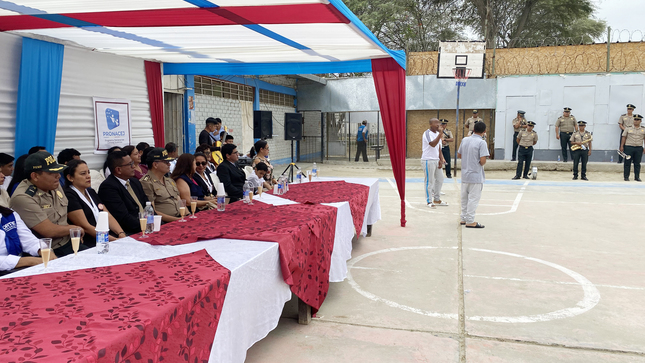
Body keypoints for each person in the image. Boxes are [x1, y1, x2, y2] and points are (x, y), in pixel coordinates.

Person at [10, 152, 86, 257]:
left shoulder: (53, 184)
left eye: (58, 171)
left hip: (69, 242)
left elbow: (63, 216)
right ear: (35, 176)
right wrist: (75, 229)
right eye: (52, 173)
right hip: (48, 251)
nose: (58, 176)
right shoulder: (23, 197)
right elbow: (48, 231)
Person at [64, 160, 125, 246]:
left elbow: (107, 215)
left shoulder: (91, 192)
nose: (88, 176)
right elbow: (85, 226)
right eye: (83, 173)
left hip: (107, 237)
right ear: (70, 178)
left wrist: (120, 233)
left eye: (88, 172)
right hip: (90, 241)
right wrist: (114, 240)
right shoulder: (69, 195)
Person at [98, 151, 149, 235]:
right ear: (118, 169)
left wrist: (155, 222)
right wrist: (146, 226)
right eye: (130, 164)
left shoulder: (134, 182)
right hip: (129, 231)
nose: (133, 167)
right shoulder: (108, 187)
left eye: (133, 163)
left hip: (146, 226)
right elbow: (123, 217)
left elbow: (146, 204)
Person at [0, 204, 56, 274]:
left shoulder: (8, 214)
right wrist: (30, 261)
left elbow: (28, 240)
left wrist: (44, 251)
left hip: (19, 268)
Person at [458, 121, 489, 228]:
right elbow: (483, 160)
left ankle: (463, 218)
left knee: (464, 197)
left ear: (473, 130)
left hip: (465, 174)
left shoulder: (465, 140)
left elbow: (459, 154)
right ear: (484, 131)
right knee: (473, 198)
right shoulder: (482, 143)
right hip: (475, 175)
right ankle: (470, 220)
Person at [141, 148, 181, 222]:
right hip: (164, 222)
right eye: (166, 162)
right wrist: (177, 220)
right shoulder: (146, 183)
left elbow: (180, 202)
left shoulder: (169, 180)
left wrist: (188, 216)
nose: (169, 164)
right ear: (155, 165)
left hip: (179, 218)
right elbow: (152, 211)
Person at [421, 118, 447, 207]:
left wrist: (440, 159)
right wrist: (440, 134)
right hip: (428, 160)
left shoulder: (437, 135)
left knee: (440, 179)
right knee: (430, 181)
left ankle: (437, 199)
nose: (438, 124)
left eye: (438, 123)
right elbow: (432, 144)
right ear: (430, 124)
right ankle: (429, 201)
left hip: (436, 160)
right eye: (436, 123)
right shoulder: (427, 133)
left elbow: (439, 148)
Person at [620, 114, 645, 182]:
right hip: (629, 147)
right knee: (627, 162)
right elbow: (624, 137)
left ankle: (637, 177)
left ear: (640, 121)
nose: (636, 121)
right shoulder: (628, 128)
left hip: (638, 148)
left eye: (637, 120)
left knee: (637, 163)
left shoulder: (643, 129)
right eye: (635, 119)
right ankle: (626, 177)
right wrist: (622, 146)